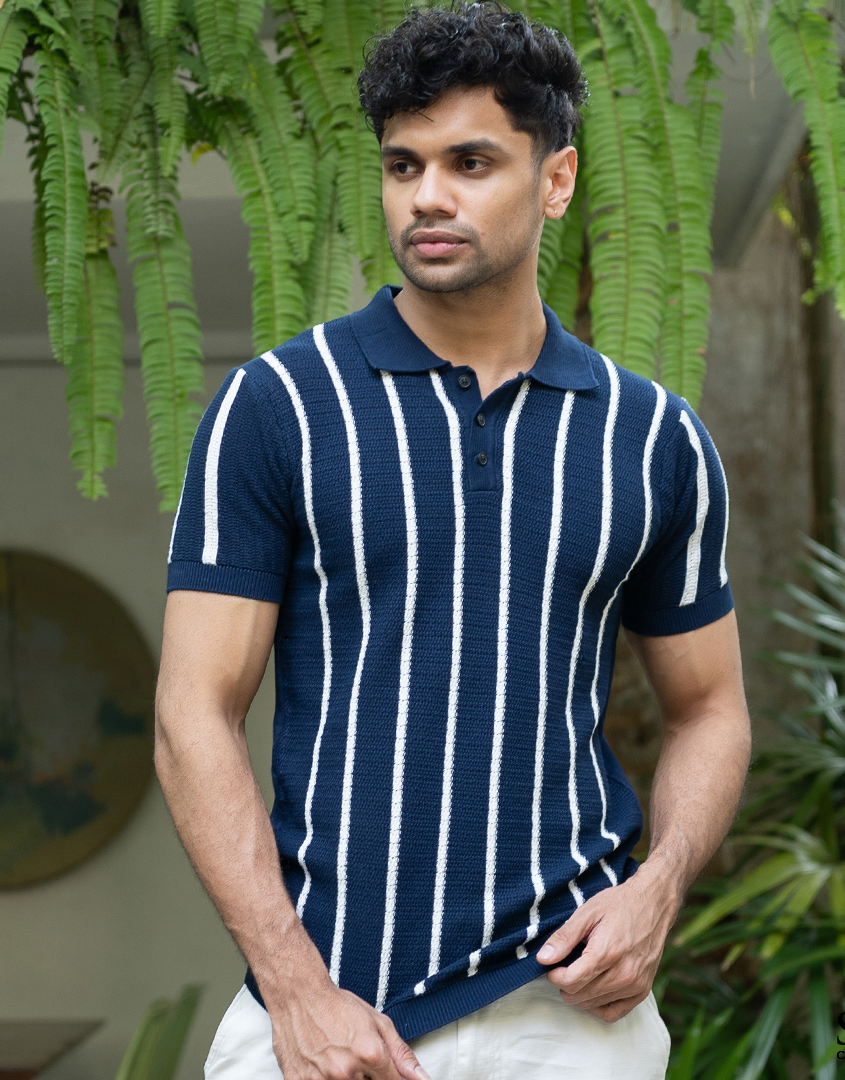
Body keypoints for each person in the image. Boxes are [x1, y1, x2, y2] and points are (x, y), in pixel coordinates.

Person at [155, 4, 752, 1078]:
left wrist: (657, 891)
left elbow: (710, 708)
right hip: (326, 1006)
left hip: (568, 1008)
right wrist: (295, 990)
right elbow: (191, 713)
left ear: (557, 179)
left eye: (470, 162)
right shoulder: (279, 408)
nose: (427, 195)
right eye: (404, 165)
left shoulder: (654, 438)